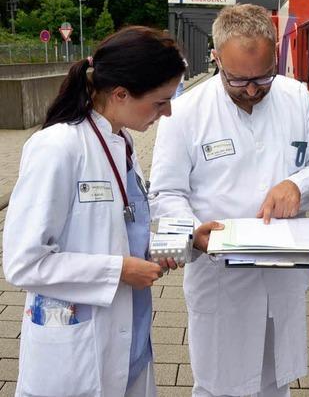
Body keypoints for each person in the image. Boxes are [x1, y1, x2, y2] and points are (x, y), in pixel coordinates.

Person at [149, 4, 309, 397]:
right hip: (219, 276)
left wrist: (298, 184)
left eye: (263, 77)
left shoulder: (296, 98)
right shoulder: (185, 113)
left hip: (282, 273)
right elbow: (166, 192)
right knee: (217, 382)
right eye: (237, 79)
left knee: (274, 381)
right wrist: (192, 234)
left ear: (274, 54)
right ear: (216, 58)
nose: (252, 90)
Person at [2, 26, 190, 397]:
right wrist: (119, 270)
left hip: (128, 338)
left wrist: (187, 240)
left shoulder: (122, 141)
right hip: (78, 354)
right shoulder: (58, 148)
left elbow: (126, 223)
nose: (167, 113)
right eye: (160, 101)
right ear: (120, 94)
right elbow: (22, 263)